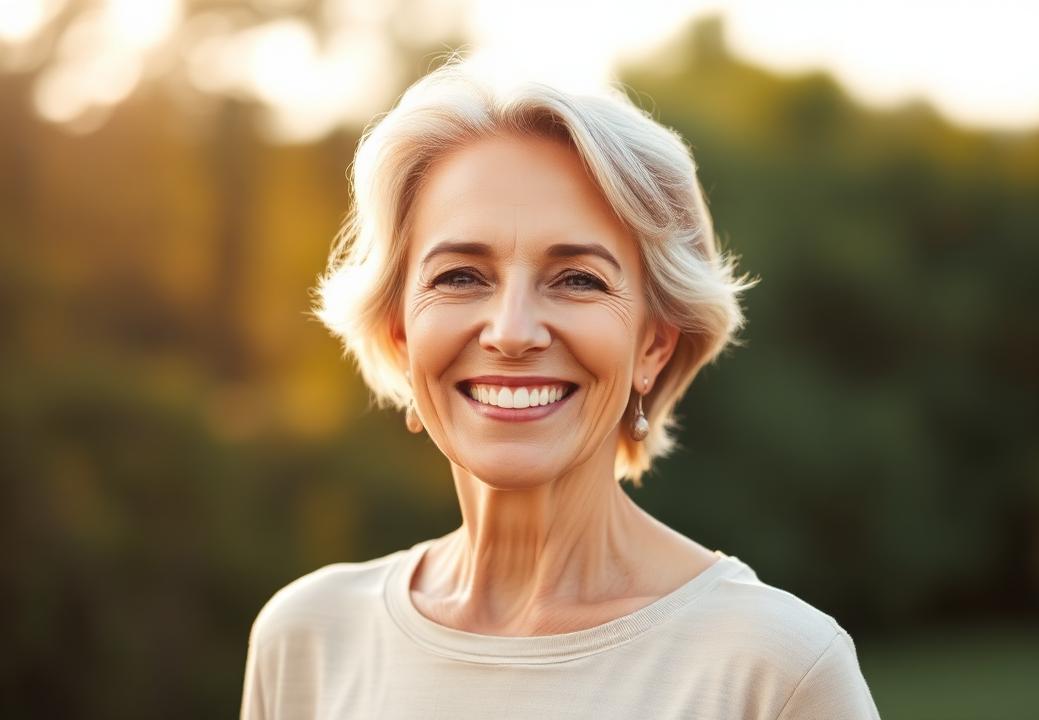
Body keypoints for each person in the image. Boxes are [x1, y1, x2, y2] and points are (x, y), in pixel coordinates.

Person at [239, 55, 881, 719]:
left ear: (653, 345)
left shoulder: (777, 670)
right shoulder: (306, 640)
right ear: (401, 335)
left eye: (578, 279)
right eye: (461, 276)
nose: (512, 333)